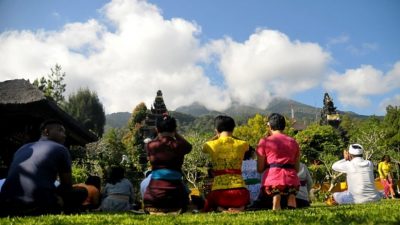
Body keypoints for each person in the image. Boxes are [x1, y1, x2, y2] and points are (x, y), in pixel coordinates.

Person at [0, 119, 79, 216]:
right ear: (46, 132)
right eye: (60, 130)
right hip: (38, 204)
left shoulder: (22, 148)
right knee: (82, 192)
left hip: (5, 204)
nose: (64, 135)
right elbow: (67, 185)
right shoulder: (61, 149)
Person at [143, 114, 192, 214]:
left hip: (152, 200)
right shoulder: (180, 145)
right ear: (174, 129)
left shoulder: (150, 146)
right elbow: (189, 146)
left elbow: (156, 140)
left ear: (157, 129)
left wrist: (159, 134)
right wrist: (175, 133)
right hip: (176, 199)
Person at [202, 115, 250, 213]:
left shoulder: (209, 144)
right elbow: (246, 146)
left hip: (220, 195)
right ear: (233, 129)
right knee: (246, 199)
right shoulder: (243, 144)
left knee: (211, 199)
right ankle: (240, 208)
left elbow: (204, 147)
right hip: (240, 194)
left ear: (216, 130)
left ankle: (220, 208)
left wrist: (217, 136)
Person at [257, 113, 300, 210]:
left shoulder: (264, 141)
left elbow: (260, 169)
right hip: (292, 180)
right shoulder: (294, 142)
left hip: (273, 180)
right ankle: (291, 198)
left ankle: (276, 197)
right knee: (291, 193)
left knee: (275, 190)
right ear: (284, 126)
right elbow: (297, 168)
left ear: (270, 126)